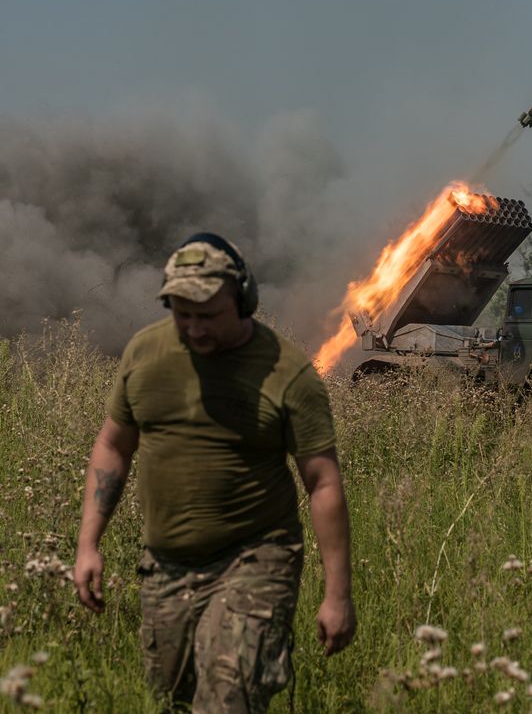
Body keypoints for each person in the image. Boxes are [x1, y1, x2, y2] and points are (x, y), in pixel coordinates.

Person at [73, 233, 355, 712]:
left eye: (208, 316)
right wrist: (88, 544)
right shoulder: (145, 355)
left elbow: (323, 482)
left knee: (228, 701)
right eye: (183, 315)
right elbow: (113, 446)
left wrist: (338, 595)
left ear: (243, 300)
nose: (195, 329)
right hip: (167, 565)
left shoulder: (286, 372)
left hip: (256, 559)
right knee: (174, 699)